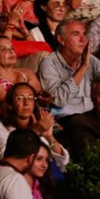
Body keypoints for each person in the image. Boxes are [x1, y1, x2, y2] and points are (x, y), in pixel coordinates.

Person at [39, 19, 100, 156]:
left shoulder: (91, 59)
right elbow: (59, 99)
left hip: (92, 115)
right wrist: (83, 67)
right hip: (69, 118)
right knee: (89, 152)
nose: (83, 39)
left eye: (84, 34)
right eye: (76, 34)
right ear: (61, 39)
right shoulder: (49, 63)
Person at [0, 82, 67, 170]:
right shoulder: (1, 128)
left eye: (30, 98)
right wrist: (34, 132)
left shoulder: (40, 122)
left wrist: (49, 137)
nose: (26, 103)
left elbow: (63, 163)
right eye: (20, 98)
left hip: (46, 173)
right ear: (10, 105)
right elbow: (4, 159)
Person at [0, 38, 45, 112]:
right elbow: (10, 104)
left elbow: (39, 99)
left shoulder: (27, 73)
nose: (11, 51)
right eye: (4, 49)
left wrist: (44, 99)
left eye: (12, 48)